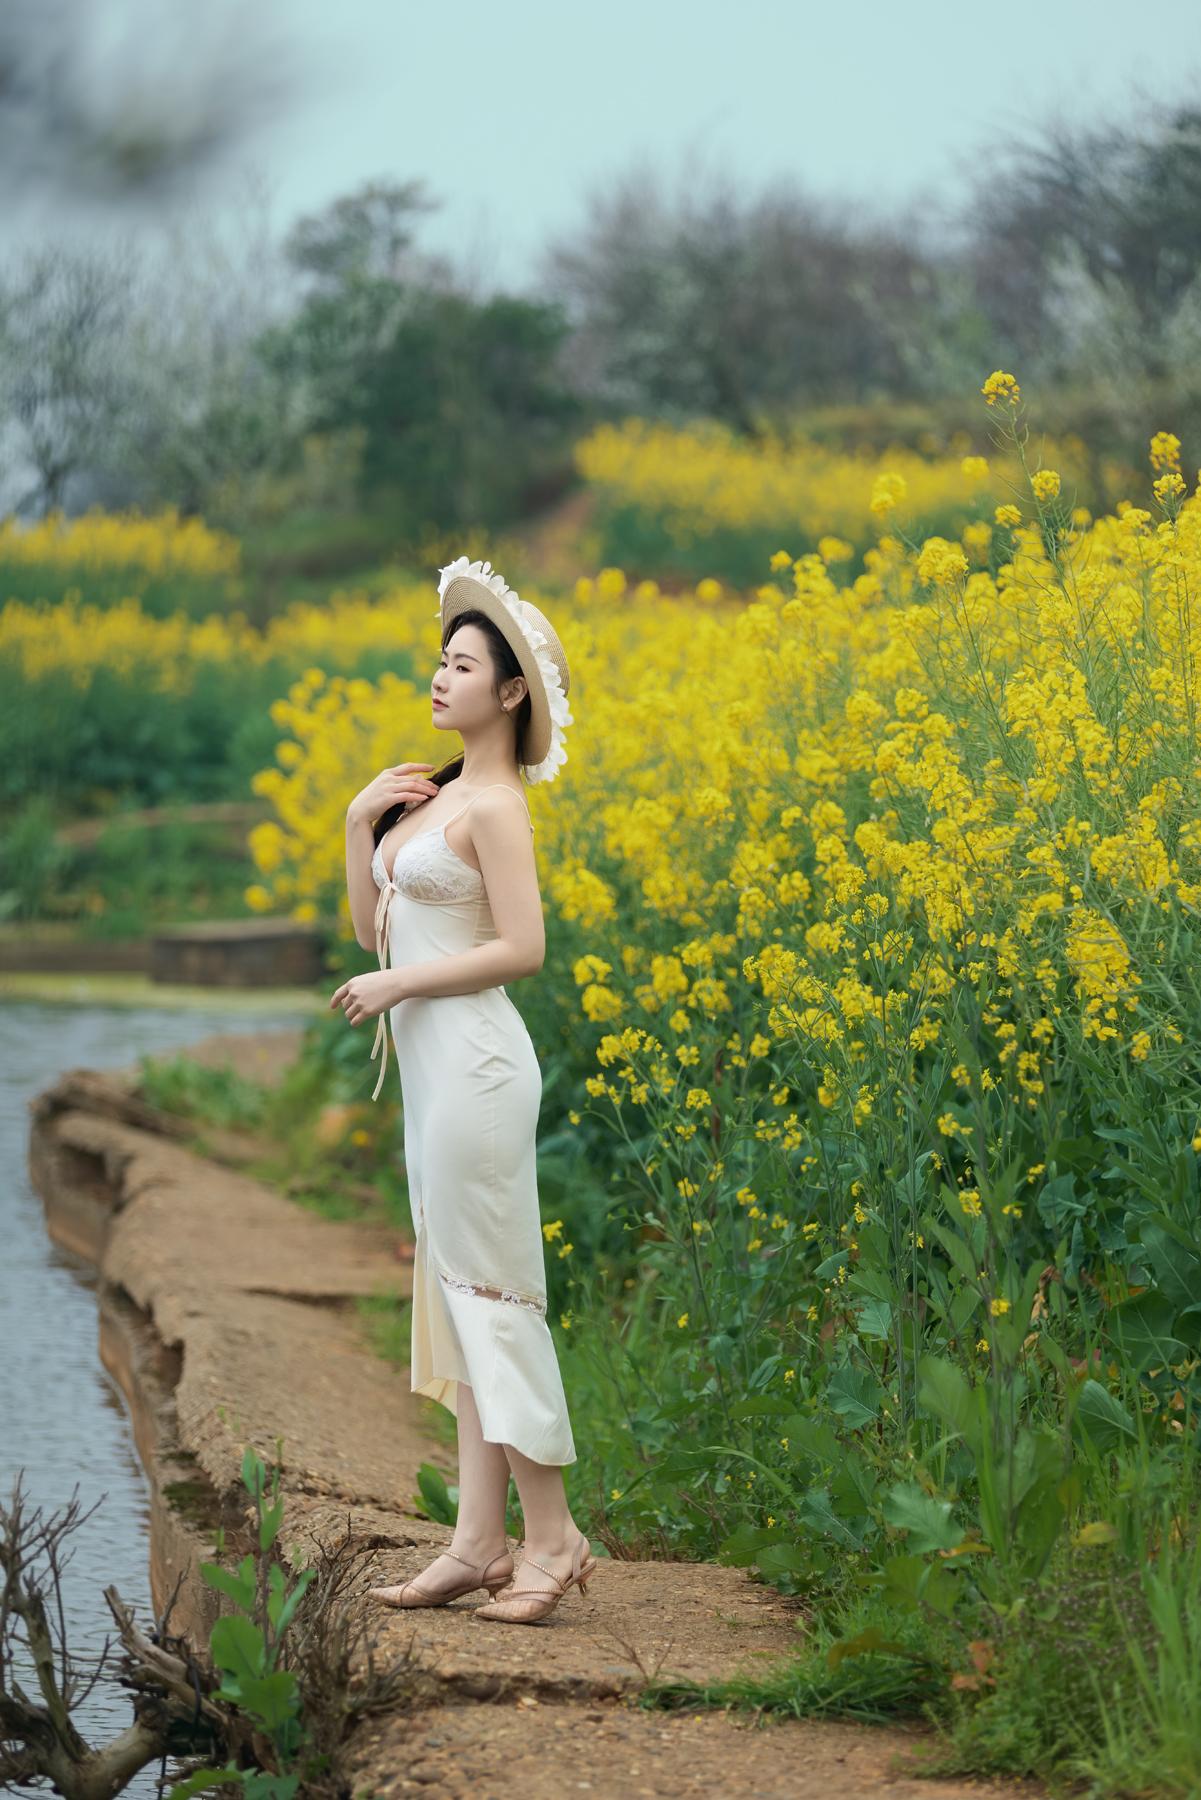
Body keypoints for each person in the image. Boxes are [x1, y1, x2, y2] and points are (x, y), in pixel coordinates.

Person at [331, 556, 598, 1624]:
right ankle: (478, 1541)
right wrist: (359, 825)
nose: (440, 678)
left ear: (511, 691)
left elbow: (523, 949)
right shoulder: (428, 796)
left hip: (481, 1071)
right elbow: (370, 930)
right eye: (438, 661)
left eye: (462, 664)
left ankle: (554, 1536)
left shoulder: (495, 806)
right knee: (456, 1294)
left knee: (491, 1299)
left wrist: (400, 979)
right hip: (433, 1081)